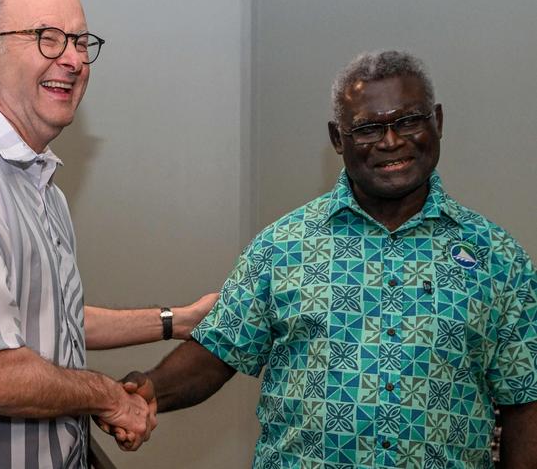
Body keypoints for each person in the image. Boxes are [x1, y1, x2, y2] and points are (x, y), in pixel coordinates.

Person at [121, 50, 537, 468]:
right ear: (338, 138)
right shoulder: (282, 247)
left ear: (438, 122)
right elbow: (217, 353)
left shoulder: (498, 259)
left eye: (409, 121)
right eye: (368, 128)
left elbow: (525, 403)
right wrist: (144, 392)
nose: (391, 141)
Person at [0, 0, 216, 467]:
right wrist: (108, 397)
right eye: (47, 37)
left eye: (81, 42)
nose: (73, 59)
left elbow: (49, 321)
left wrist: (176, 321)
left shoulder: (42, 186)